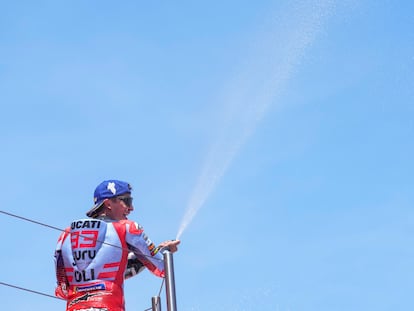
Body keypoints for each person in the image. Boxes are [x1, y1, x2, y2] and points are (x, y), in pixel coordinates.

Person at [54, 179, 180, 311]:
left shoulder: (65, 235)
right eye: (127, 201)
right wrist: (164, 250)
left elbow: (62, 289)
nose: (131, 208)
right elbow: (161, 267)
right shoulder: (127, 228)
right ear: (108, 203)